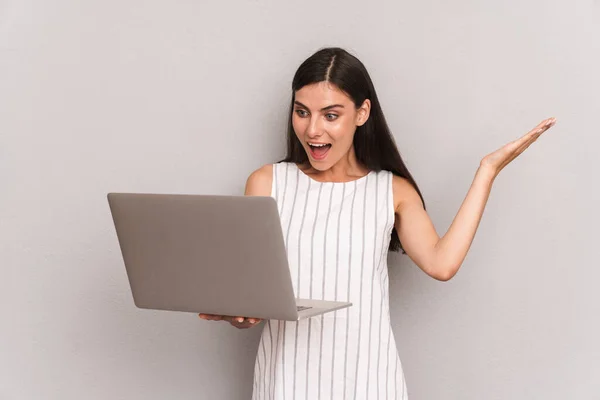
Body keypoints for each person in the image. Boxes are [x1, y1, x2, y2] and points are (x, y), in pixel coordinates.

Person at [198, 47, 556, 399]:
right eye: (302, 112)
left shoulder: (391, 191)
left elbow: (442, 263)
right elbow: (251, 292)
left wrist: (487, 172)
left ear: (362, 112)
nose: (312, 130)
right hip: (286, 379)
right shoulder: (267, 182)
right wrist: (241, 313)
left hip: (369, 380)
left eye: (331, 115)